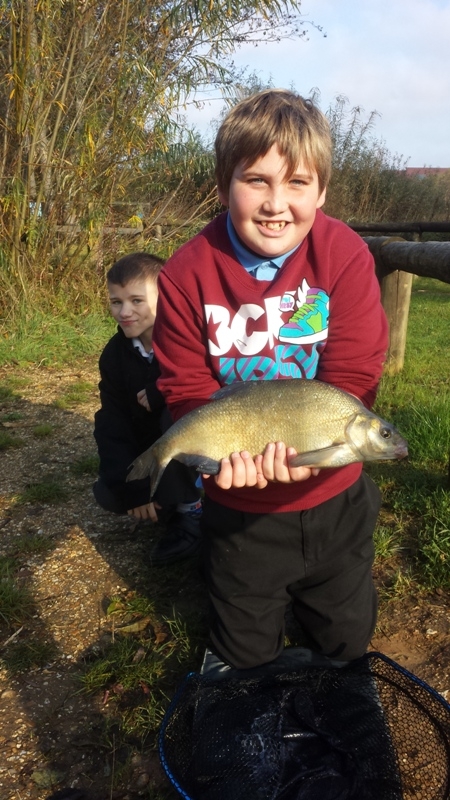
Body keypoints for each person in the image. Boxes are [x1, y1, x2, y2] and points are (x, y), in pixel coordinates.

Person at [152, 89, 389, 669]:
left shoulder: (345, 255)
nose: (275, 203)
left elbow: (354, 371)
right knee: (243, 651)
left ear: (323, 191)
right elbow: (184, 390)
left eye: (298, 184)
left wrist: (323, 451)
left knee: (344, 638)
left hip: (336, 498)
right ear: (222, 184)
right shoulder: (186, 272)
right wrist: (213, 462)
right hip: (240, 511)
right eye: (256, 180)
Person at [93, 252, 202, 564]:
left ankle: (191, 509)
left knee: (176, 416)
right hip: (149, 445)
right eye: (117, 302)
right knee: (109, 494)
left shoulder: (189, 340)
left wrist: (162, 389)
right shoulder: (114, 356)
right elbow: (111, 421)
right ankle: (163, 499)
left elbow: (205, 391)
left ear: (165, 298)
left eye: (137, 301)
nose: (125, 312)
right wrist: (135, 490)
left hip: (196, 441)